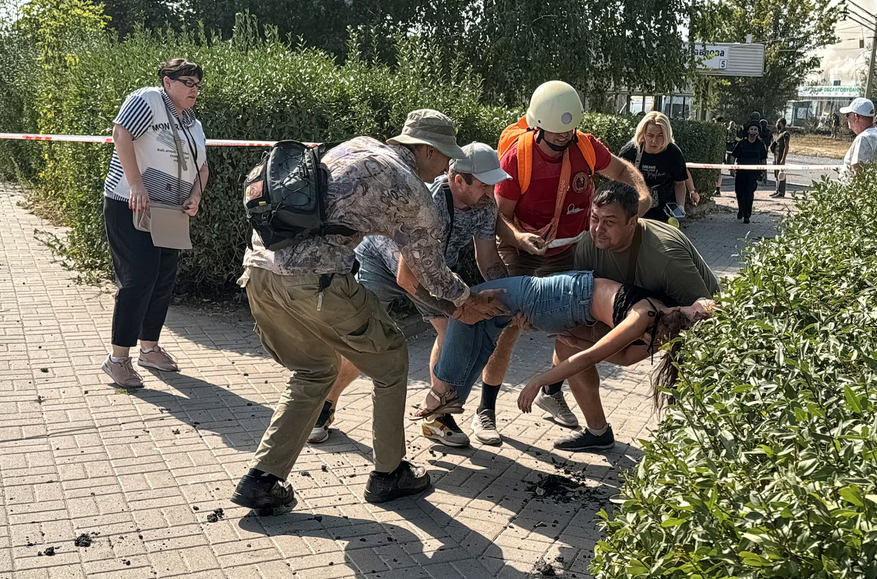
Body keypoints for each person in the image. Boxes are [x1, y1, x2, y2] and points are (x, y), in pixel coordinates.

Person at [231, 110, 508, 511]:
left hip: (259, 275)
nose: (445, 168)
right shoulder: (411, 189)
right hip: (317, 279)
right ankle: (389, 474)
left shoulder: (357, 145)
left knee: (314, 371)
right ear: (427, 150)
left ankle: (261, 480)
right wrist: (467, 300)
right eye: (445, 157)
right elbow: (429, 271)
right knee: (391, 360)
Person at [307, 142, 512, 448]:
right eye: (484, 185)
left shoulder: (484, 205)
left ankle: (436, 418)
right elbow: (407, 278)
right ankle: (324, 405)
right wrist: (456, 307)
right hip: (383, 261)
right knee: (364, 340)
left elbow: (488, 259)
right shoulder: (429, 203)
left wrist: (510, 296)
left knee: (452, 334)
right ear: (459, 181)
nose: (490, 192)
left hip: (435, 270)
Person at [483, 80, 651, 441]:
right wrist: (519, 238)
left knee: (573, 330)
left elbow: (622, 170)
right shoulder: (517, 157)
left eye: (569, 129)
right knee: (507, 326)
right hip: (522, 251)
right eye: (556, 130)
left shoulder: (586, 146)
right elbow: (499, 217)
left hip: (569, 252)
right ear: (538, 124)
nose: (563, 136)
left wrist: (641, 196)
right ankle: (486, 410)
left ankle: (553, 393)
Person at [410, 271, 713, 421]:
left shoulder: (646, 315)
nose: (697, 303)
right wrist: (577, 339)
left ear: (689, 316)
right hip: (566, 309)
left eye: (697, 309)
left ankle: (441, 394)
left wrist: (538, 381)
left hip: (560, 297)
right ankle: (451, 396)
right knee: (484, 324)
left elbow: (588, 358)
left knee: (467, 303)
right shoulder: (662, 336)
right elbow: (622, 358)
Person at [554, 181, 720, 451]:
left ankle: (692, 439)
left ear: (633, 222)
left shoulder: (665, 255)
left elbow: (704, 314)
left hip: (682, 315)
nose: (598, 229)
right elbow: (582, 303)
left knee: (688, 368)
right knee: (567, 339)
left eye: (609, 222)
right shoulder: (587, 245)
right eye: (594, 218)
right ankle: (598, 432)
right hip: (636, 309)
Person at [100, 58, 209, 388]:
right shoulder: (147, 99)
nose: (194, 89)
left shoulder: (193, 123)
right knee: (139, 280)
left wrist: (196, 195)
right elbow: (121, 134)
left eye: (197, 84)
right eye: (188, 82)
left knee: (162, 280)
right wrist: (136, 184)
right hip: (130, 204)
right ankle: (117, 359)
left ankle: (149, 349)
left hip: (170, 212)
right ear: (167, 81)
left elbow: (203, 167)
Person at [618, 111, 700, 222]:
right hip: (636, 205)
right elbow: (618, 180)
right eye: (650, 135)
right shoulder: (630, 151)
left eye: (660, 136)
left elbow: (679, 182)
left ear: (667, 135)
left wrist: (680, 206)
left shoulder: (673, 153)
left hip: (665, 208)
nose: (654, 141)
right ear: (643, 134)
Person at [730, 120, 767, 224]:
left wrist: (765, 173)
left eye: (755, 129)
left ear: (758, 132)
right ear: (748, 131)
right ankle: (741, 209)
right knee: (739, 192)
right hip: (741, 172)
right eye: (751, 129)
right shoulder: (742, 143)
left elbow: (763, 160)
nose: (753, 131)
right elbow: (733, 156)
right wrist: (731, 169)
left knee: (749, 193)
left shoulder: (760, 144)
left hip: (753, 173)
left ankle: (747, 215)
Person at [840, 97, 877, 178]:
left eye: (848, 115)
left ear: (856, 117)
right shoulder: (874, 134)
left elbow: (859, 173)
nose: (847, 118)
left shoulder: (864, 138)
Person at [770, 118, 790, 198]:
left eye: (777, 123)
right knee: (776, 173)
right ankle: (777, 190)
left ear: (781, 123)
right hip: (776, 155)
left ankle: (781, 192)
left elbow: (786, 147)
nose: (776, 124)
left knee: (780, 174)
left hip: (780, 156)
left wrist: (783, 159)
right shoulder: (779, 133)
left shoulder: (785, 134)